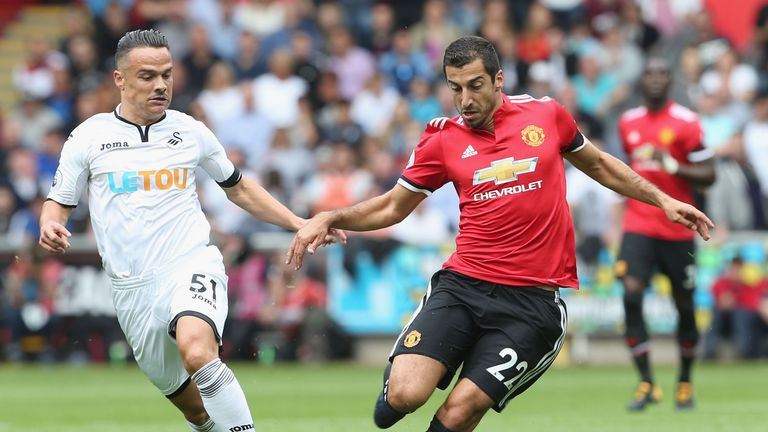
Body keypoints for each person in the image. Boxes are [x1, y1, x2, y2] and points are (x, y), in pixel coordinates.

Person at [286, 36, 713, 432]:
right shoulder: (441, 139)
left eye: (475, 86)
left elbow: (600, 165)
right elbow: (392, 206)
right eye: (455, 89)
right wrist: (332, 217)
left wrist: (663, 200)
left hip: (532, 304)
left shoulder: (546, 115)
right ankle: (403, 373)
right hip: (463, 285)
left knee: (459, 410)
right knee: (402, 398)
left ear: (499, 79)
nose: (465, 100)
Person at [38, 30, 343, 432]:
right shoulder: (89, 137)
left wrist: (299, 223)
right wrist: (50, 223)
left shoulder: (190, 131)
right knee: (197, 413)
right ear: (120, 80)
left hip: (189, 262)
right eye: (147, 76)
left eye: (166, 74)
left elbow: (240, 188)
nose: (161, 85)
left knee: (199, 352)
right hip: (131, 289)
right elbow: (58, 200)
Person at [616, 57, 716, 411]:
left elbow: (710, 174)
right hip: (638, 225)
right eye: (649, 73)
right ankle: (646, 382)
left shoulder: (687, 122)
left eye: (662, 73)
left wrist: (672, 165)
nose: (655, 79)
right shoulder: (628, 122)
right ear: (641, 81)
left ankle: (685, 382)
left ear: (670, 80)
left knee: (685, 307)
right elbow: (625, 175)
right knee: (630, 295)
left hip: (678, 230)